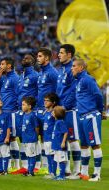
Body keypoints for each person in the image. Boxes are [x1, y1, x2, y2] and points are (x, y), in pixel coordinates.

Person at [72, 59, 104, 182]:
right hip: (81, 116)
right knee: (84, 145)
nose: (72, 68)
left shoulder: (87, 79)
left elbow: (98, 95)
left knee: (95, 144)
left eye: (74, 66)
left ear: (81, 68)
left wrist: (99, 111)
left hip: (90, 115)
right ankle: (84, 173)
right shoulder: (79, 81)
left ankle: (97, 174)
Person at [57, 44, 81, 178]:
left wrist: (65, 106)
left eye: (61, 52)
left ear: (69, 55)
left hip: (70, 110)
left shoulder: (73, 70)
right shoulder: (61, 70)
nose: (59, 55)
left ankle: (77, 170)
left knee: (72, 139)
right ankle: (65, 169)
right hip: (60, 110)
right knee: (63, 139)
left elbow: (73, 91)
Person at [36, 47, 58, 171]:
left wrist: (54, 108)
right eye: (37, 56)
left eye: (40, 56)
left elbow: (57, 90)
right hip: (40, 109)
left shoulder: (52, 72)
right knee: (41, 137)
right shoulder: (41, 73)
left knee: (48, 138)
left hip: (50, 110)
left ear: (47, 58)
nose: (37, 58)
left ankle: (50, 165)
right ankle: (43, 165)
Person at [0, 57, 20, 171]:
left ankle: (17, 165)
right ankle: (10, 164)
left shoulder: (15, 78)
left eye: (2, 64)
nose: (0, 66)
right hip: (4, 111)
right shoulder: (4, 78)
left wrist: (16, 109)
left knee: (12, 138)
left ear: (9, 66)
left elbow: (18, 94)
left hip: (11, 112)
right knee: (5, 138)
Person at [21, 96, 39, 176]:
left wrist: (35, 136)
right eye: (22, 104)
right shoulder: (25, 115)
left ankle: (31, 172)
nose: (22, 106)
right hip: (25, 139)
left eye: (24, 105)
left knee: (32, 155)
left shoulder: (32, 115)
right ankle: (29, 170)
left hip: (31, 139)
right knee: (28, 155)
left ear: (29, 106)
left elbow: (36, 127)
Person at [43, 93, 59, 179]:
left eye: (47, 100)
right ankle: (50, 172)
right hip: (46, 138)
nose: (45, 102)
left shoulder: (54, 112)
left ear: (53, 102)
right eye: (44, 100)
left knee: (53, 156)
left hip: (52, 138)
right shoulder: (45, 112)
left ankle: (54, 172)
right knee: (48, 155)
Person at [51, 106, 68, 180]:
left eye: (53, 112)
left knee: (61, 160)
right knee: (57, 159)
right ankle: (58, 174)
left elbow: (65, 132)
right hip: (56, 145)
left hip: (60, 146)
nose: (52, 113)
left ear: (57, 113)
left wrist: (63, 142)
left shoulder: (60, 122)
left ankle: (62, 176)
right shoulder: (56, 122)